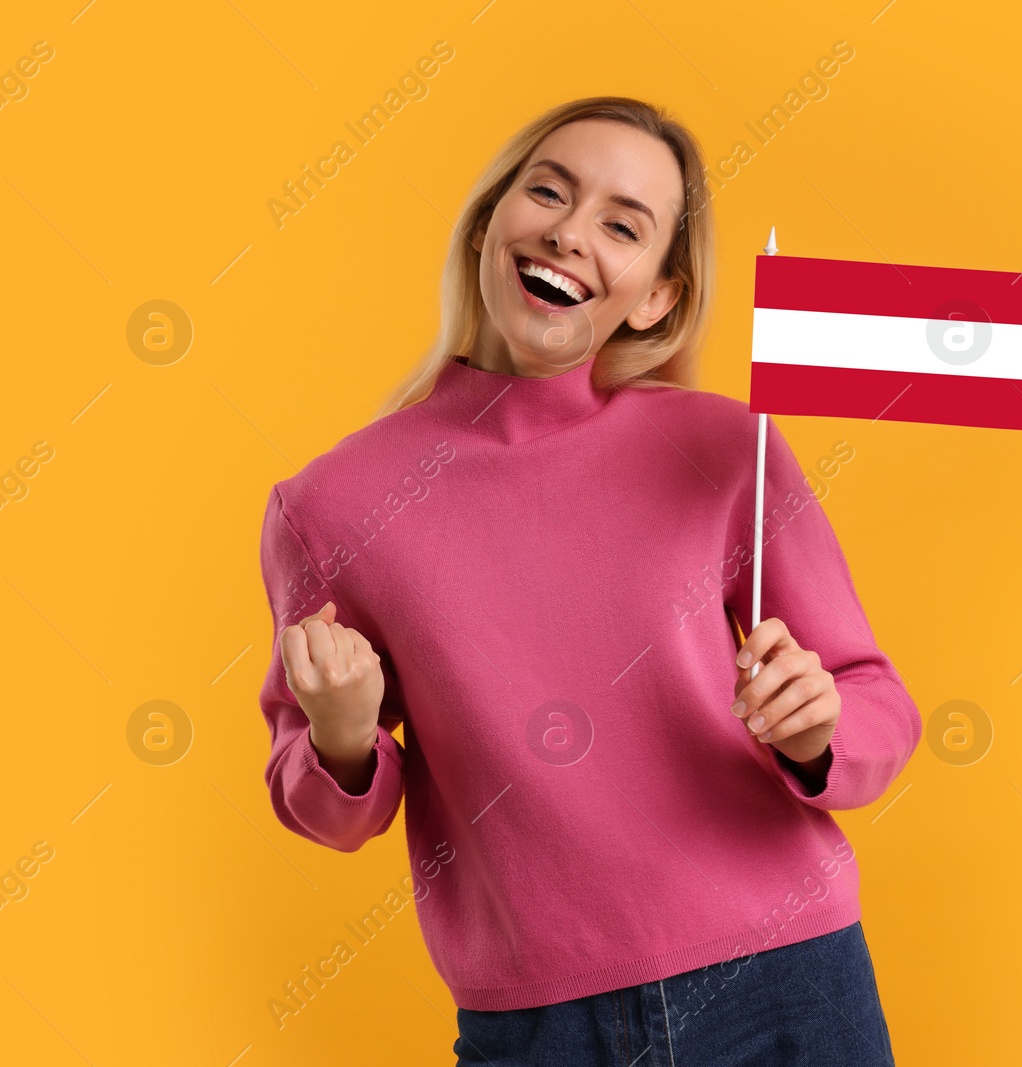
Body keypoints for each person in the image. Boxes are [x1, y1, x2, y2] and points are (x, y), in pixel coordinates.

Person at [254, 95, 919, 1065]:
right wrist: (343, 733)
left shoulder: (729, 446)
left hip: (788, 975)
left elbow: (874, 700)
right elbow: (317, 801)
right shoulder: (330, 504)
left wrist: (818, 730)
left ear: (654, 295)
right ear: (489, 224)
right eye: (549, 192)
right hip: (537, 1023)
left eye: (622, 224)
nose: (570, 233)